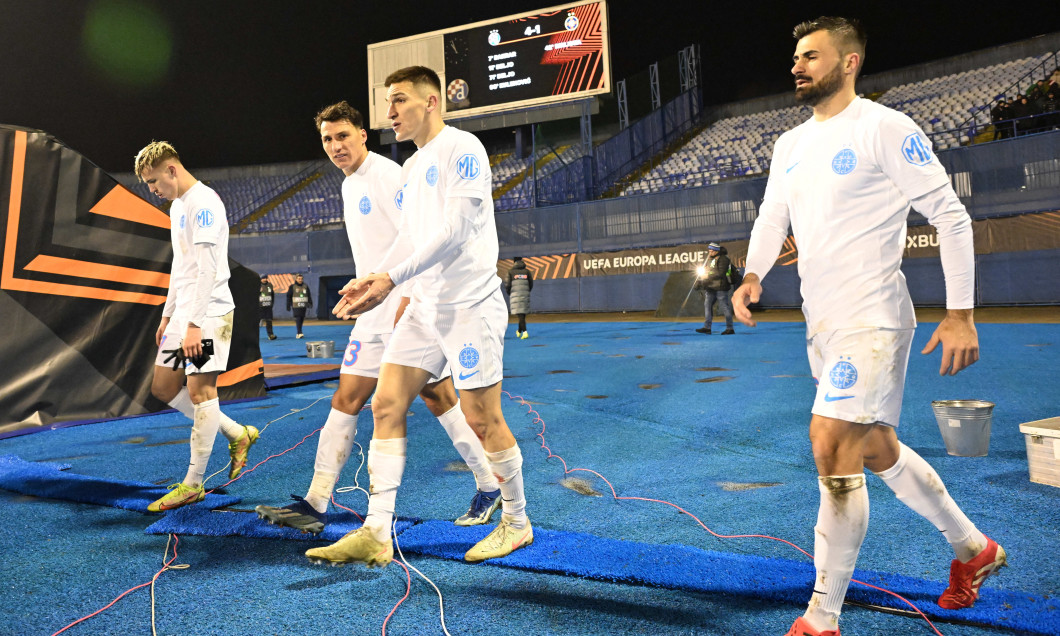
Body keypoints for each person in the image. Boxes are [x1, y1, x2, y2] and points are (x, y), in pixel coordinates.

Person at [730, 18, 1005, 636]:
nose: (797, 66)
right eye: (795, 56)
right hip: (822, 324)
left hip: (874, 320)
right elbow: (773, 217)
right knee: (874, 448)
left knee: (829, 440)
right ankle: (973, 549)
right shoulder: (789, 145)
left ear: (849, 62)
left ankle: (821, 618)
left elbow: (952, 218)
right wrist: (752, 275)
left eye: (812, 56)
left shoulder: (885, 127)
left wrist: (960, 314)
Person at [305, 66, 532, 567]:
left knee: (481, 417)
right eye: (388, 103)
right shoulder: (410, 167)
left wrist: (390, 278)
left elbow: (456, 230)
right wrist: (378, 277)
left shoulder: (463, 149)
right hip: (423, 308)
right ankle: (376, 531)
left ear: (430, 102)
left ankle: (516, 523)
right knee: (385, 404)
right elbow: (408, 238)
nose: (389, 114)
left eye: (399, 101)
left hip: (468, 306)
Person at [255, 101, 501, 536]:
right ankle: (316, 500)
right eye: (328, 139)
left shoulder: (389, 176)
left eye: (343, 136)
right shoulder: (350, 185)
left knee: (436, 397)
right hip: (374, 310)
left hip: (404, 306)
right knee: (355, 397)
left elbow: (418, 239)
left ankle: (491, 484)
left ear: (363, 134)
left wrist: (406, 296)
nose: (336, 146)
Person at [134, 141, 259, 512]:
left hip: (208, 316)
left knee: (201, 390)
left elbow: (207, 270)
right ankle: (238, 433)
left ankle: (193, 484)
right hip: (185, 316)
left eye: (154, 181)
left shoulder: (204, 204)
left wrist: (193, 325)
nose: (152, 189)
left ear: (172, 169)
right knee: (163, 385)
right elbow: (181, 265)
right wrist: (168, 315)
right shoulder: (176, 207)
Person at [693, 242, 735, 335]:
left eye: (712, 250)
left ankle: (730, 328)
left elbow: (720, 273)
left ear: (716, 250)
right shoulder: (709, 259)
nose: (710, 252)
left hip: (721, 287)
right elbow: (706, 271)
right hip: (710, 286)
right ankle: (707, 327)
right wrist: (701, 281)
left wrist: (707, 276)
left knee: (724, 307)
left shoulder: (724, 259)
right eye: (709, 250)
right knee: (707, 306)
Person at [505, 257, 534, 339]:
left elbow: (507, 285)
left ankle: (525, 332)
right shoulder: (527, 272)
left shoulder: (510, 272)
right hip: (525, 294)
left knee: (520, 315)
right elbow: (531, 284)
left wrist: (510, 293)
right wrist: (527, 291)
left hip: (515, 295)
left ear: (514, 262)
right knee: (522, 315)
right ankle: (519, 331)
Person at [286, 273, 312, 339]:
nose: (300, 280)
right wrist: (288, 305)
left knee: (302, 318)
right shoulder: (292, 287)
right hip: (296, 306)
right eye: (299, 279)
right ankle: (299, 332)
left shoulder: (305, 286)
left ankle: (299, 332)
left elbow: (308, 295)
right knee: (298, 318)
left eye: (301, 279)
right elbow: (288, 296)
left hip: (303, 305)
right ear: (296, 279)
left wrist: (310, 302)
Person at [259, 274, 277, 340]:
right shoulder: (257, 285)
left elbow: (272, 295)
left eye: (266, 278)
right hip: (260, 307)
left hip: (268, 307)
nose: (265, 279)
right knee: (257, 322)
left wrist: (272, 304)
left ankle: (270, 335)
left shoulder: (270, 285)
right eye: (263, 278)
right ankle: (252, 336)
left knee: (269, 321)